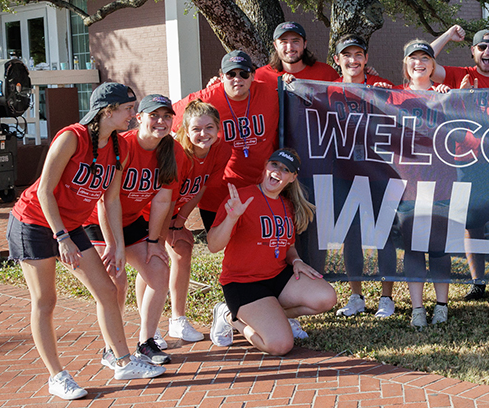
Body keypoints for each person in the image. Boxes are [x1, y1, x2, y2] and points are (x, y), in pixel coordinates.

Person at [8, 82, 164, 399]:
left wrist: (116, 244)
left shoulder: (119, 146)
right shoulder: (72, 137)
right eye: (129, 109)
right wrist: (61, 236)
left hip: (72, 224)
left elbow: (111, 200)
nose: (133, 116)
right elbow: (43, 190)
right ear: (108, 111)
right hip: (34, 222)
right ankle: (58, 376)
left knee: (107, 290)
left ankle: (122, 360)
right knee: (45, 300)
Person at [207, 149, 336, 355]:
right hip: (243, 283)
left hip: (276, 277)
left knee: (326, 297)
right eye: (274, 165)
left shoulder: (287, 206)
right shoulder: (241, 198)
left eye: (286, 170)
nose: (278, 171)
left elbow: (288, 246)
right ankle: (230, 317)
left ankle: (273, 316)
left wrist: (296, 261)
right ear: (266, 165)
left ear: (292, 178)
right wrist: (231, 218)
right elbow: (213, 246)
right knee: (280, 345)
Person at [82, 94, 179, 365]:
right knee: (116, 279)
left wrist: (154, 241)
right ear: (139, 118)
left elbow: (162, 200)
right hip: (97, 222)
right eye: (154, 115)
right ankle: (111, 347)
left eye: (166, 116)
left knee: (159, 271)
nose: (160, 122)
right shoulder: (122, 145)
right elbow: (104, 199)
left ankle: (146, 343)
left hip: (132, 220)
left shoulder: (170, 150)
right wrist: (116, 246)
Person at [430, 25, 489, 301]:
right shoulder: (460, 76)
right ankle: (477, 282)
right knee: (472, 225)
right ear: (473, 50)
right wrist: (447, 36)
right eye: (482, 47)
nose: (487, 52)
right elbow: (422, 60)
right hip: (466, 162)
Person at [327, 34, 400, 320]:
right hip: (344, 172)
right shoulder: (327, 91)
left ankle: (387, 298)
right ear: (337, 60)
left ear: (366, 59)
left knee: (385, 235)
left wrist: (386, 92)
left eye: (358, 55)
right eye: (347, 55)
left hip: (379, 170)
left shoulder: (381, 90)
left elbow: (406, 108)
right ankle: (356, 296)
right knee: (350, 235)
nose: (353, 60)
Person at [149, 99, 230, 345]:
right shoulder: (178, 153)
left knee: (183, 250)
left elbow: (201, 186)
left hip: (173, 213)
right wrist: (167, 231)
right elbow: (165, 199)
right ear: (185, 129)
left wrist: (180, 223)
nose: (203, 134)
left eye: (209, 128)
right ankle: (149, 330)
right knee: (153, 260)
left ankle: (177, 319)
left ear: (218, 128)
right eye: (196, 129)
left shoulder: (221, 149)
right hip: (152, 212)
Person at [175, 50, 280, 234]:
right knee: (222, 250)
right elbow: (167, 117)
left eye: (244, 74)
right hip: (218, 195)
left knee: (256, 247)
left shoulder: (271, 94)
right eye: (231, 74)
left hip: (262, 188)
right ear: (221, 76)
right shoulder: (206, 98)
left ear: (253, 75)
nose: (237, 79)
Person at [394, 40, 454, 327]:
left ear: (433, 65)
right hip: (408, 184)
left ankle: (441, 305)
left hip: (441, 182)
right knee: (414, 247)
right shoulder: (392, 97)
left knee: (439, 247)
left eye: (425, 58)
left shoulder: (445, 96)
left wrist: (449, 99)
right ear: (406, 65)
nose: (419, 63)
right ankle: (418, 309)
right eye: (413, 58)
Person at [254, 21, 339, 83]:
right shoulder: (260, 77)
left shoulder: (327, 74)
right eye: (284, 42)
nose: (290, 47)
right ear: (275, 46)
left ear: (304, 44)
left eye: (295, 41)